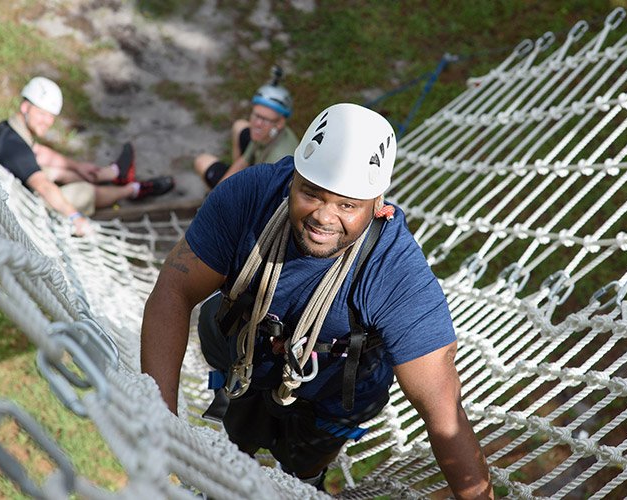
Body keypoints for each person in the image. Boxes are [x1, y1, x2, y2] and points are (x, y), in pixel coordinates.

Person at [141, 103, 493, 497]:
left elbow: (443, 411)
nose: (324, 217)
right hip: (246, 360)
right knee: (236, 439)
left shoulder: (393, 269)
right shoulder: (250, 197)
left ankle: (304, 482)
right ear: (294, 175)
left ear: (379, 205)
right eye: (311, 193)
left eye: (347, 205)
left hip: (334, 390)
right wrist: (162, 425)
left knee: (302, 466)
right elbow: (174, 290)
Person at [0, 76, 175, 236]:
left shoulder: (5, 130)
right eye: (42, 114)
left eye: (51, 116)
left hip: (12, 186)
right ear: (26, 107)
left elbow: (38, 152)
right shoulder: (15, 148)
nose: (48, 121)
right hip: (24, 210)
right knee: (84, 192)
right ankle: (132, 190)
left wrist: (75, 166)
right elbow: (42, 186)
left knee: (61, 172)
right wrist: (74, 216)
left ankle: (111, 175)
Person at [194, 67, 299, 189]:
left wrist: (218, 201)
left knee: (202, 162)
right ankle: (235, 181)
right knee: (239, 126)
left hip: (261, 193)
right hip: (257, 171)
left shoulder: (278, 164)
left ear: (279, 123)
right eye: (256, 115)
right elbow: (244, 160)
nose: (257, 124)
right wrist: (219, 190)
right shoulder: (266, 134)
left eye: (265, 119)